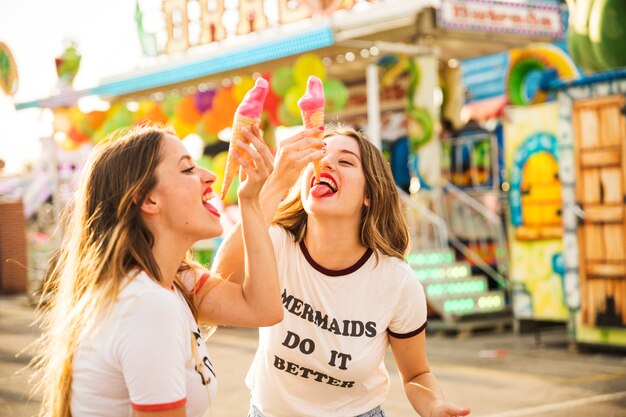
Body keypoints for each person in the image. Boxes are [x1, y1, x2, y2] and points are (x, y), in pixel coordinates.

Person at [213, 124, 471, 417]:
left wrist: (434, 406)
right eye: (319, 156)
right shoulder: (277, 243)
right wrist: (274, 183)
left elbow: (416, 375)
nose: (324, 164)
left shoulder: (396, 281)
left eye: (345, 161)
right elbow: (219, 284)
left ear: (369, 195)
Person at [30, 123, 282, 417]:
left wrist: (251, 201)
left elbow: (262, 309)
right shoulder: (146, 305)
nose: (209, 176)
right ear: (148, 200)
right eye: (188, 170)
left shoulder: (172, 281)